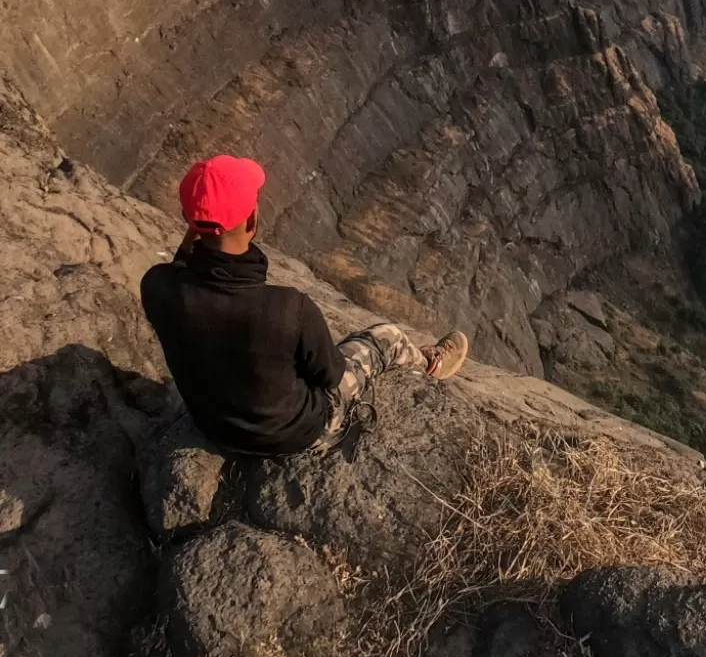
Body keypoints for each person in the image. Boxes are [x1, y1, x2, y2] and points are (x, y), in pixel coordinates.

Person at [140, 153, 467, 458]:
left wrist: (195, 235)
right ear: (252, 222)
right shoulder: (287, 308)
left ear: (188, 222)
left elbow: (177, 273)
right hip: (297, 435)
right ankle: (429, 365)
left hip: (214, 429)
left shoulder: (157, 286)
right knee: (387, 336)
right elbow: (331, 374)